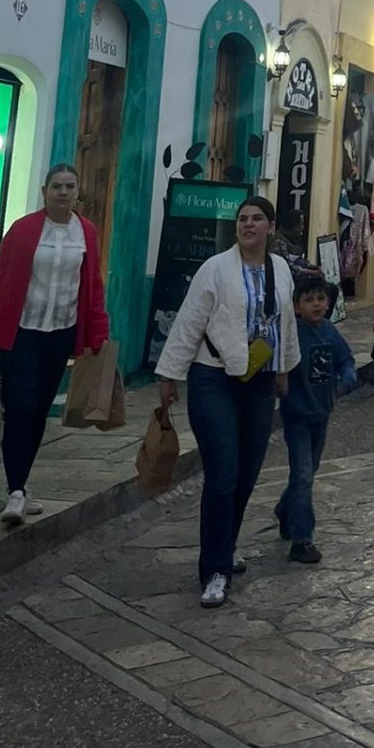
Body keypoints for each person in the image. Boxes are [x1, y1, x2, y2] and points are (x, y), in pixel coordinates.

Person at [157, 195, 300, 608]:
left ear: (270, 227)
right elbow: (188, 322)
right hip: (213, 378)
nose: (248, 225)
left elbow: (284, 322)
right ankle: (215, 570)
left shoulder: (281, 270)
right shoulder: (215, 269)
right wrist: (170, 375)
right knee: (223, 473)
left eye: (257, 219)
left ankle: (226, 544)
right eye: (242, 219)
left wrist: (284, 369)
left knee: (247, 471)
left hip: (259, 381)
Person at [0, 162, 110, 526]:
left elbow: (92, 287)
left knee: (38, 411)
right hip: (20, 331)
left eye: (69, 186)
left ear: (77, 192)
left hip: (60, 333)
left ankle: (21, 485)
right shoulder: (24, 230)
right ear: (44, 191)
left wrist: (97, 333)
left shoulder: (87, 233)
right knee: (22, 406)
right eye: (56, 186)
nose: (63, 192)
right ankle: (15, 490)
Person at [273, 270, 356, 565]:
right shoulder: (292, 333)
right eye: (309, 300)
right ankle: (302, 540)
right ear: (297, 306)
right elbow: (278, 360)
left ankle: (286, 509)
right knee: (303, 474)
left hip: (322, 414)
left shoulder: (330, 332)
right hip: (297, 416)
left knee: (310, 471)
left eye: (321, 299)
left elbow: (346, 358)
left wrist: (347, 377)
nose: (316, 304)